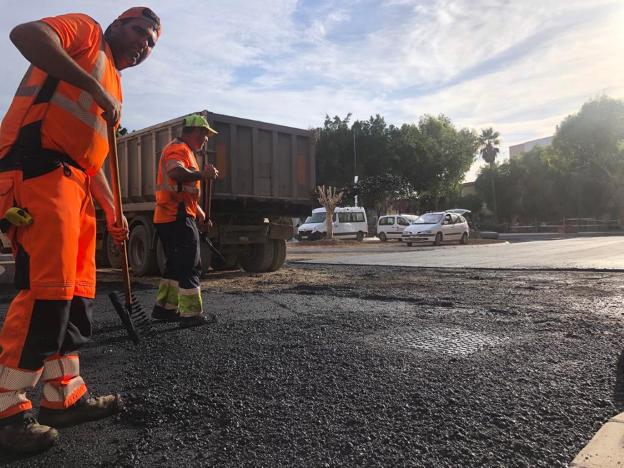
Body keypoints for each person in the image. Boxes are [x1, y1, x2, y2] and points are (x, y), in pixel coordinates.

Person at [0, 7, 161, 453]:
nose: (144, 45)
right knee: (45, 294)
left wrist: (113, 210)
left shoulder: (114, 81)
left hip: (75, 185)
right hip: (37, 171)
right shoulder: (87, 34)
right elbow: (24, 33)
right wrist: (92, 86)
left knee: (74, 299)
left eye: (152, 43)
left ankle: (63, 398)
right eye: (140, 32)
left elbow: (93, 158)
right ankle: (6, 412)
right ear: (115, 26)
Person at [152, 114, 219, 328]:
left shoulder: (186, 151)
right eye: (205, 134)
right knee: (190, 264)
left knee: (174, 265)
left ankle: (164, 309)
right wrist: (202, 174)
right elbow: (175, 172)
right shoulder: (179, 149)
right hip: (176, 217)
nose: (206, 139)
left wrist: (200, 215)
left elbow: (185, 193)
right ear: (195, 132)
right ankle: (190, 314)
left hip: (174, 215)